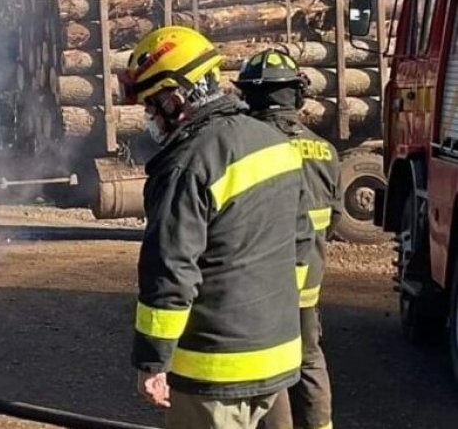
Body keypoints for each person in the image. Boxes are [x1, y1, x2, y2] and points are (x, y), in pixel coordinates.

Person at [121, 26, 314, 429]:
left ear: (175, 100)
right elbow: (300, 245)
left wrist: (153, 360)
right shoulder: (276, 144)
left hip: (214, 371)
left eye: (152, 107)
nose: (150, 119)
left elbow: (170, 270)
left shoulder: (187, 165)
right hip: (279, 357)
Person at [235, 49, 340, 429]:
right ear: (297, 96)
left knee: (266, 365)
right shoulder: (325, 150)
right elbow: (333, 219)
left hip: (265, 282)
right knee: (310, 357)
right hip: (308, 281)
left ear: (248, 96)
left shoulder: (251, 147)